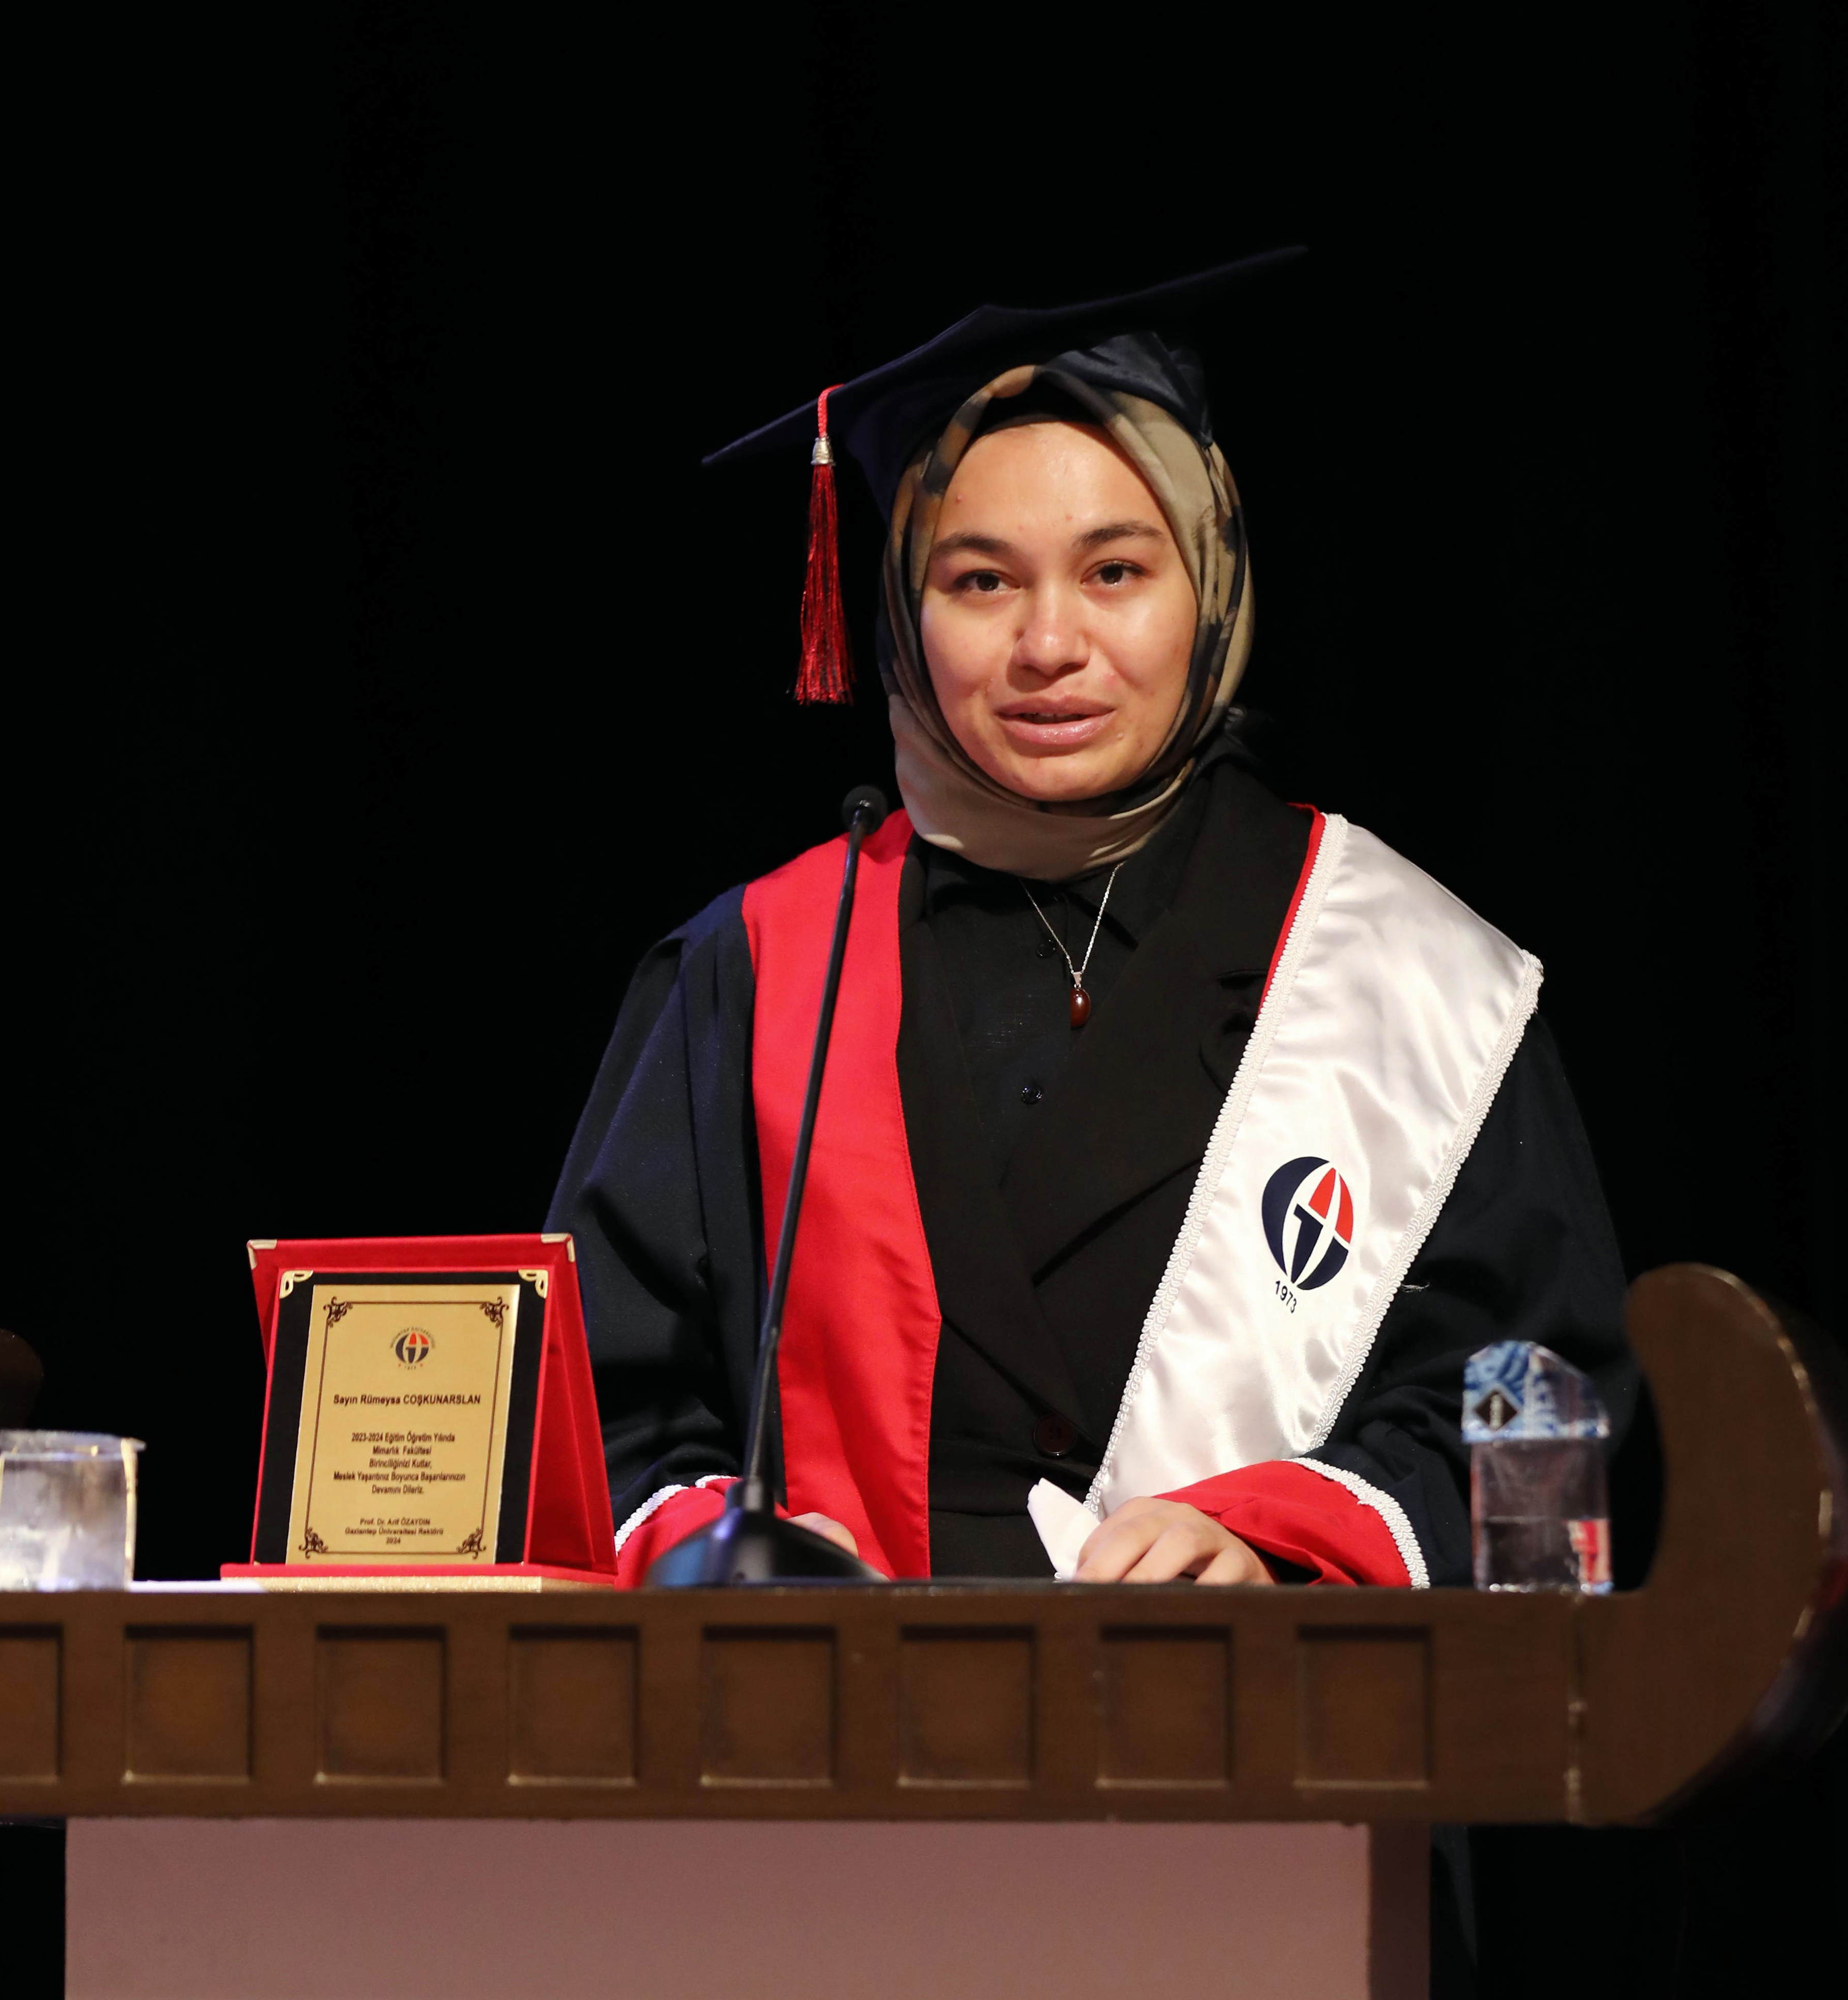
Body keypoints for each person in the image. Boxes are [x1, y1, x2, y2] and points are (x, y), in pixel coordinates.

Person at [550, 253, 1631, 1586]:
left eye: (1115, 571)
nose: (1049, 645)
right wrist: (727, 1552)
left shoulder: (1406, 976)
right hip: (847, 1710)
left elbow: (1544, 1429)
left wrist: (1296, 1543)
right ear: (902, 613)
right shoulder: (762, 972)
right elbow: (595, 1417)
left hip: (1274, 1708)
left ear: (1211, 585)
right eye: (980, 582)